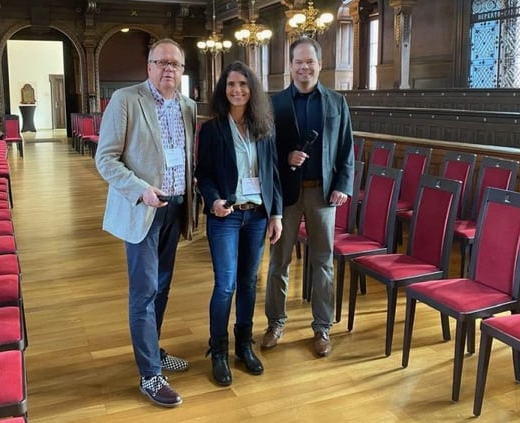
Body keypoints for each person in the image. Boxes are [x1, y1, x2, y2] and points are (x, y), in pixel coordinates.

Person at [95, 38, 197, 408]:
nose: (169, 69)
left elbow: (185, 157)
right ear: (149, 67)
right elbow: (105, 159)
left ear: (182, 71)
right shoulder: (126, 100)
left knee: (163, 286)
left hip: (175, 207)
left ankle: (152, 349)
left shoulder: (188, 106)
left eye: (175, 64)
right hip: (143, 209)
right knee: (144, 291)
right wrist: (141, 191)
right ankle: (150, 374)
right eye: (161, 62)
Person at [263, 37, 354, 357]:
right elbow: (264, 151)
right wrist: (285, 157)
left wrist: (343, 184)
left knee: (323, 262)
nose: (304, 67)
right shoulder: (274, 104)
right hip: (286, 195)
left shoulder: (336, 102)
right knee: (279, 262)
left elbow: (346, 147)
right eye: (298, 62)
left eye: (309, 62)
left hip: (323, 193)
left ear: (320, 64)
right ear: (290, 66)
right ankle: (275, 323)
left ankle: (322, 327)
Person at [196, 61, 282, 386]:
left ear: (252, 89)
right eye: (231, 84)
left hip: (257, 215)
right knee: (225, 285)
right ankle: (218, 350)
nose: (237, 90)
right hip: (226, 216)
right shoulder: (213, 129)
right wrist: (213, 200)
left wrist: (276, 214)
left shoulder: (264, 126)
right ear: (224, 89)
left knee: (248, 282)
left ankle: (244, 346)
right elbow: (203, 174)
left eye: (243, 84)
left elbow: (272, 173)